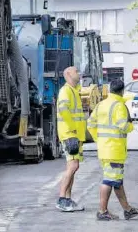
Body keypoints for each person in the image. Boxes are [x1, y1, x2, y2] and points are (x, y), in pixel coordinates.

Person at [87, 79, 138, 220]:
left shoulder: (101, 104)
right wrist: (131, 126)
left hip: (104, 149)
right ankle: (102, 211)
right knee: (109, 181)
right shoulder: (119, 106)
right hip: (114, 150)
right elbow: (123, 125)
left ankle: (127, 209)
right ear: (122, 91)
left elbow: (90, 123)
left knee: (116, 180)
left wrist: (99, 139)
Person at [56, 66, 86, 212]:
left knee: (73, 167)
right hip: (70, 134)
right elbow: (63, 110)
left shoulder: (73, 90)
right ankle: (62, 199)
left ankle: (67, 199)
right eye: (76, 71)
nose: (78, 73)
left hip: (75, 134)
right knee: (73, 166)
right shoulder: (65, 91)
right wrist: (73, 129)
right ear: (68, 74)